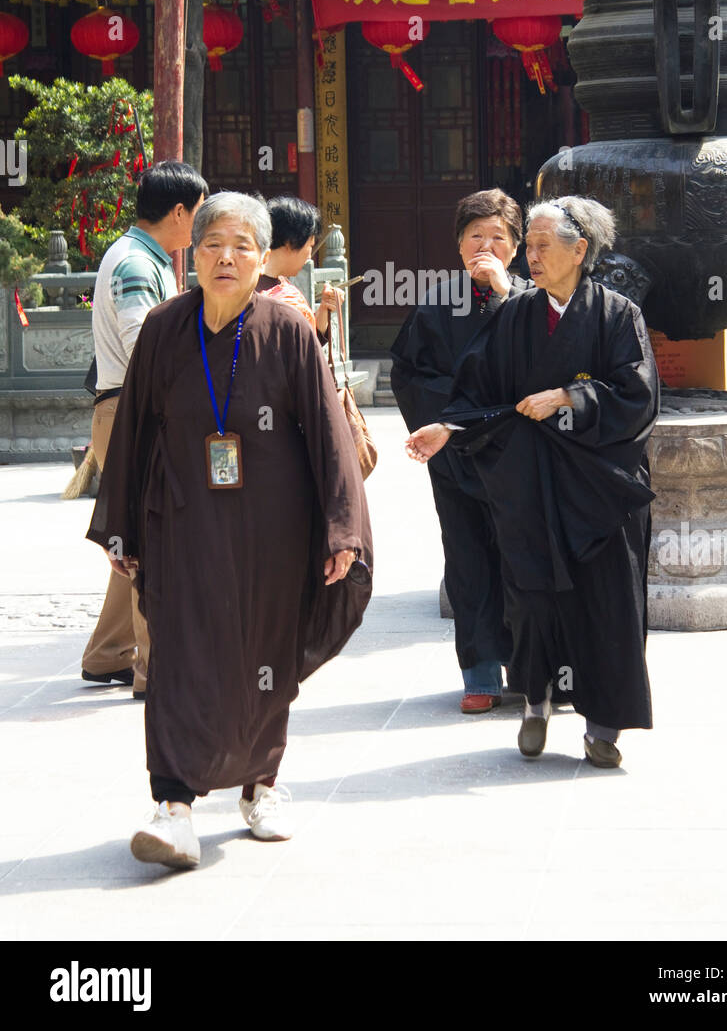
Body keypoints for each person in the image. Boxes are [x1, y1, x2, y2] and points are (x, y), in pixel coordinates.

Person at [87, 192, 372, 869]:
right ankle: (175, 804)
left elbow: (330, 437)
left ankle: (261, 787)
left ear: (262, 257)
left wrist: (341, 529)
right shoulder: (163, 327)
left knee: (263, 658)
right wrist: (121, 529)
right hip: (182, 520)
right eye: (214, 242)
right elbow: (134, 434)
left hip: (273, 529)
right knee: (180, 653)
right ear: (195, 253)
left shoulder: (287, 329)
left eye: (244, 245)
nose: (226, 257)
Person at [406, 197, 659, 767]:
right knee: (533, 597)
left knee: (607, 603)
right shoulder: (515, 316)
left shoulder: (619, 315)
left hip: (600, 490)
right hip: (531, 484)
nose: (532, 256)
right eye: (533, 245)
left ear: (581, 250)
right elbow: (481, 389)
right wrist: (449, 426)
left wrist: (573, 396)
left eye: (543, 245)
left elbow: (638, 397)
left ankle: (602, 726)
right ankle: (537, 703)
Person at [391, 189, 533, 714]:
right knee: (469, 561)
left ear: (516, 248)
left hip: (521, 456)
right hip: (457, 459)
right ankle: (479, 674)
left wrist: (505, 299)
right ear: (458, 245)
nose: (487, 246)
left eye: (499, 237)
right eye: (476, 236)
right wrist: (455, 419)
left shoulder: (534, 302)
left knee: (525, 562)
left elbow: (545, 369)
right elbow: (409, 373)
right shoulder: (435, 303)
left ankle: (531, 667)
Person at [80, 160, 208, 701]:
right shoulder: (137, 263)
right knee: (154, 540)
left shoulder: (137, 255)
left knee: (130, 530)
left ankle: (107, 655)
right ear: (179, 212)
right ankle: (154, 672)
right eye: (199, 215)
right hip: (134, 411)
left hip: (121, 408)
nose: (200, 228)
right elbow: (145, 346)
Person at [256, 195, 342, 339]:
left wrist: (323, 310)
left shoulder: (271, 284)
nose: (309, 256)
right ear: (292, 242)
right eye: (310, 246)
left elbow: (304, 347)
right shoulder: (262, 295)